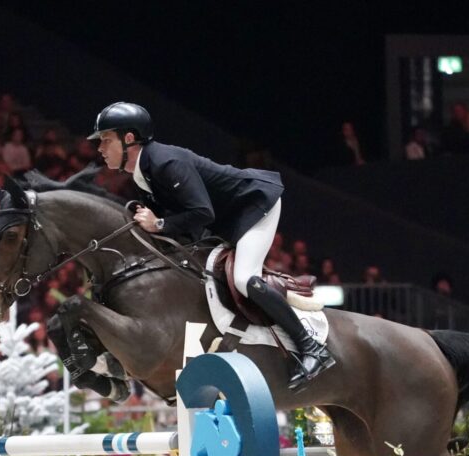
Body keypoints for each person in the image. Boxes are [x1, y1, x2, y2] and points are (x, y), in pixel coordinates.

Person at [88, 101, 333, 389]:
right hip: (225, 219)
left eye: (106, 139)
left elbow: (202, 212)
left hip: (254, 206)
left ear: (129, 138)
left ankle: (311, 347)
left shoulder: (166, 163)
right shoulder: (144, 173)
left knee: (244, 279)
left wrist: (160, 224)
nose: (100, 148)